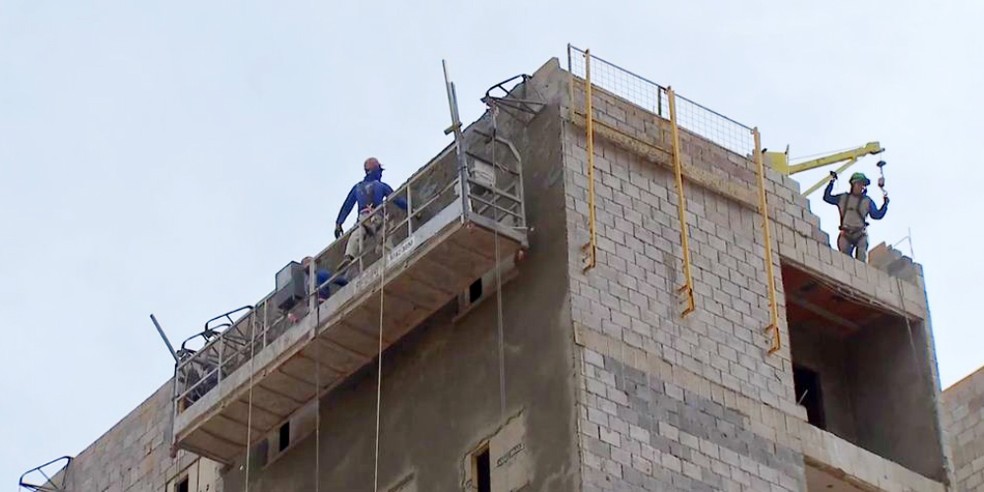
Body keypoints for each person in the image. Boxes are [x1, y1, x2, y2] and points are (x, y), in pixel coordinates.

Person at [335, 158, 407, 264]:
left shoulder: (358, 187)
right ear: (375, 171)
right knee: (384, 238)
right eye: (380, 171)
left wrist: (339, 223)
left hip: (363, 218)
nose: (381, 174)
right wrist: (409, 207)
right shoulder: (381, 186)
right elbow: (397, 199)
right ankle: (392, 257)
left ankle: (349, 255)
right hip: (377, 217)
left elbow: (347, 206)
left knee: (357, 235)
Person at [823, 172, 889, 262]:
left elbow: (877, 215)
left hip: (860, 234)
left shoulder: (867, 201)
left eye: (863, 185)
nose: (861, 187)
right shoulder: (843, 198)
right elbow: (827, 197)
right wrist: (832, 182)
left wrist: (885, 204)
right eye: (859, 184)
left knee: (861, 260)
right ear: (853, 184)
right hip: (845, 234)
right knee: (845, 260)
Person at [287, 256, 348, 323]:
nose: (307, 265)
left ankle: (318, 302)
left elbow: (338, 280)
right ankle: (298, 317)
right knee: (291, 313)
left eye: (308, 263)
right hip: (311, 303)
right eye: (305, 264)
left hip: (321, 298)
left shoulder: (321, 274)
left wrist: (346, 283)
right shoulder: (307, 281)